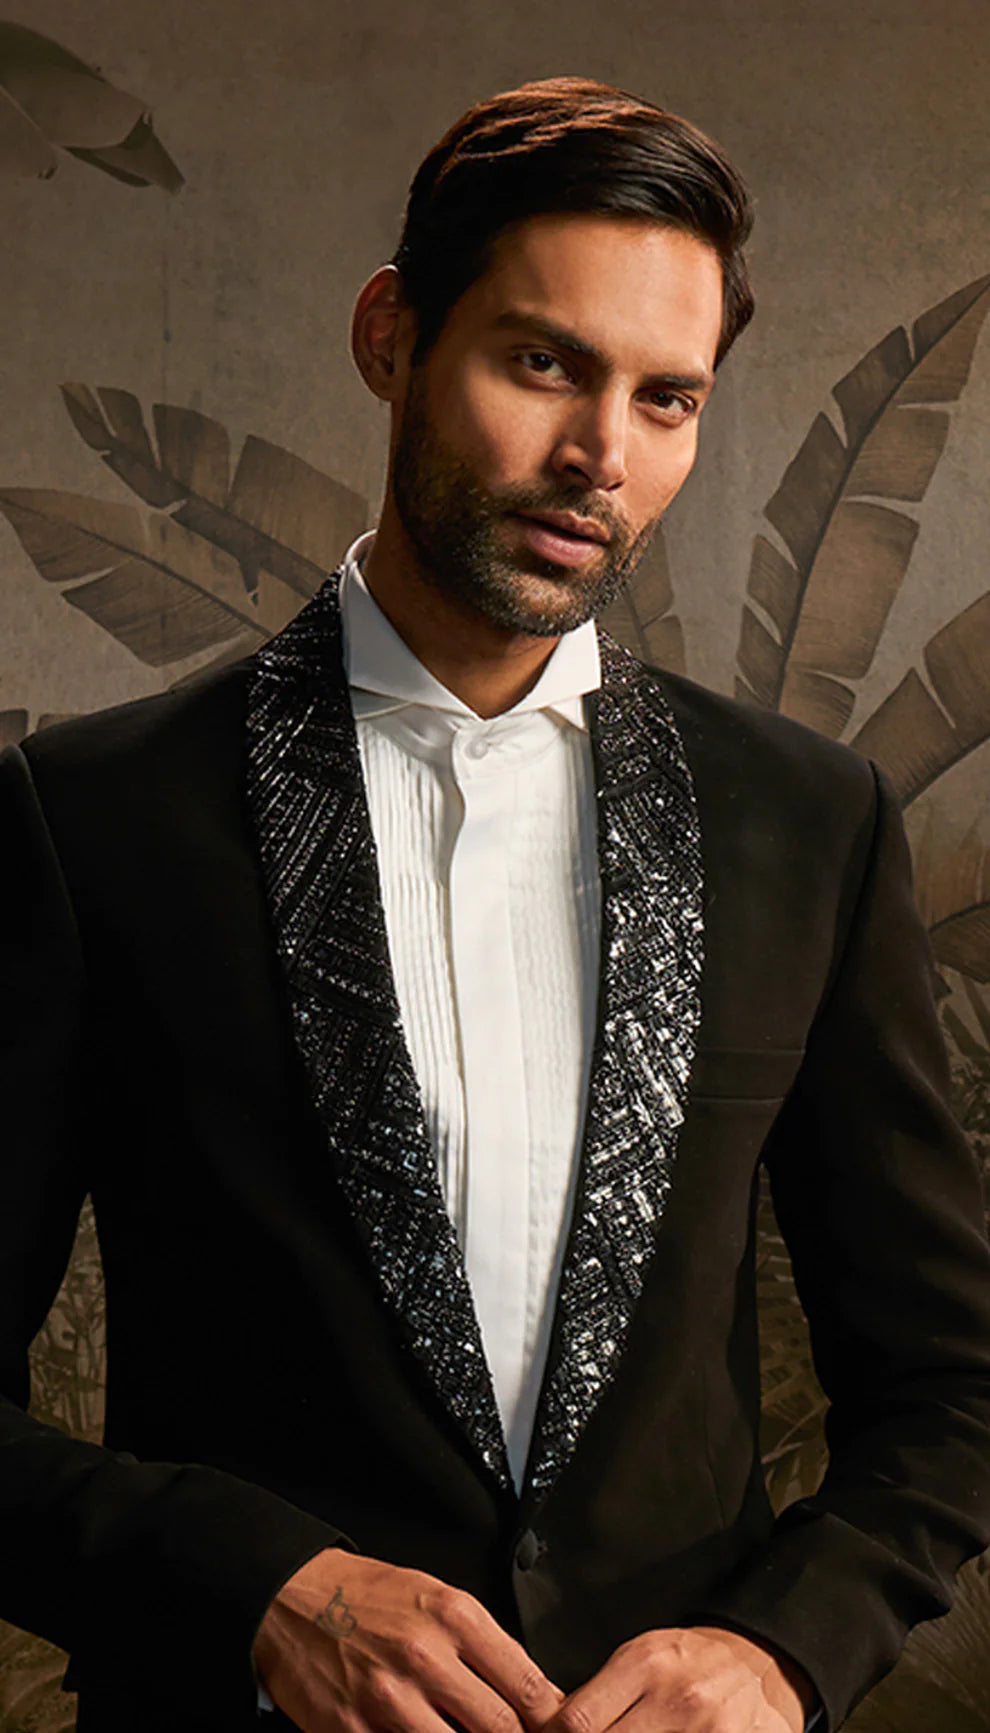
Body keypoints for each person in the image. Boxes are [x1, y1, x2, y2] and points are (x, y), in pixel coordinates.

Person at [2, 75, 989, 1733]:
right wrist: (260, 1588)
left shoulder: (806, 825)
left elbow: (951, 1383)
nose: (600, 454)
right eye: (543, 363)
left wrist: (779, 1650)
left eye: (665, 399)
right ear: (390, 333)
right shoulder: (89, 818)